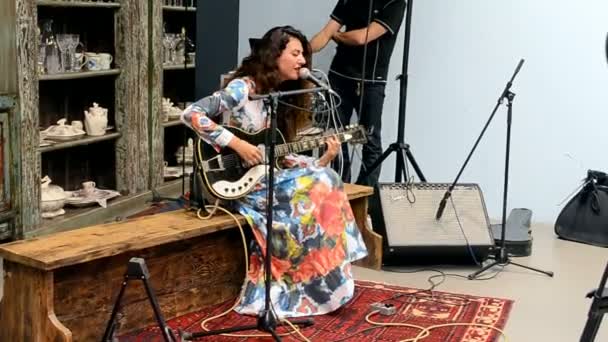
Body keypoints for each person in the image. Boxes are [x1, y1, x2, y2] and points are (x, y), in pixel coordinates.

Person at [180, 26, 368, 318]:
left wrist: (324, 158)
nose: (303, 61)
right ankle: (292, 287)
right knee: (318, 188)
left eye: (304, 55)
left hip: (266, 176)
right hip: (241, 184)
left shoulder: (276, 95)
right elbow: (191, 113)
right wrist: (238, 144)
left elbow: (277, 155)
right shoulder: (244, 88)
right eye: (295, 53)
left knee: (326, 178)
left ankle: (323, 284)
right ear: (274, 55)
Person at [311, 0, 406, 186]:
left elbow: (362, 37)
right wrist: (300, 52)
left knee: (371, 142)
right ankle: (341, 188)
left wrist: (336, 36)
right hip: (339, 76)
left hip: (372, 82)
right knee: (334, 135)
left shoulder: (395, 3)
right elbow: (324, 33)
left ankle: (364, 199)